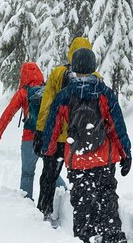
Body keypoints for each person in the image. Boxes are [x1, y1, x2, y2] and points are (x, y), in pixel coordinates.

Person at [41, 48, 132, 243]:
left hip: (78, 159)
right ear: (93, 66)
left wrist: (48, 150)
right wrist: (125, 153)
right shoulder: (105, 93)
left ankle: (86, 240)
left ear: (73, 68)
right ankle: (111, 233)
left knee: (82, 200)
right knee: (107, 194)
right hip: (104, 157)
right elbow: (118, 126)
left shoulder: (65, 96)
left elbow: (52, 127)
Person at [34, 37, 100, 221]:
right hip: (82, 140)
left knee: (48, 175)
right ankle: (85, 218)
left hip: (57, 138)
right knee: (84, 179)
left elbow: (46, 106)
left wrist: (40, 132)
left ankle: (44, 211)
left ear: (70, 52)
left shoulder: (57, 73)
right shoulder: (97, 78)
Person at [0, 62, 61, 199]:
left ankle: (27, 207)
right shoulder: (47, 89)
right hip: (48, 137)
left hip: (29, 139)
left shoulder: (23, 93)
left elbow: (7, 116)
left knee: (27, 173)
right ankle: (63, 196)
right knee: (51, 171)